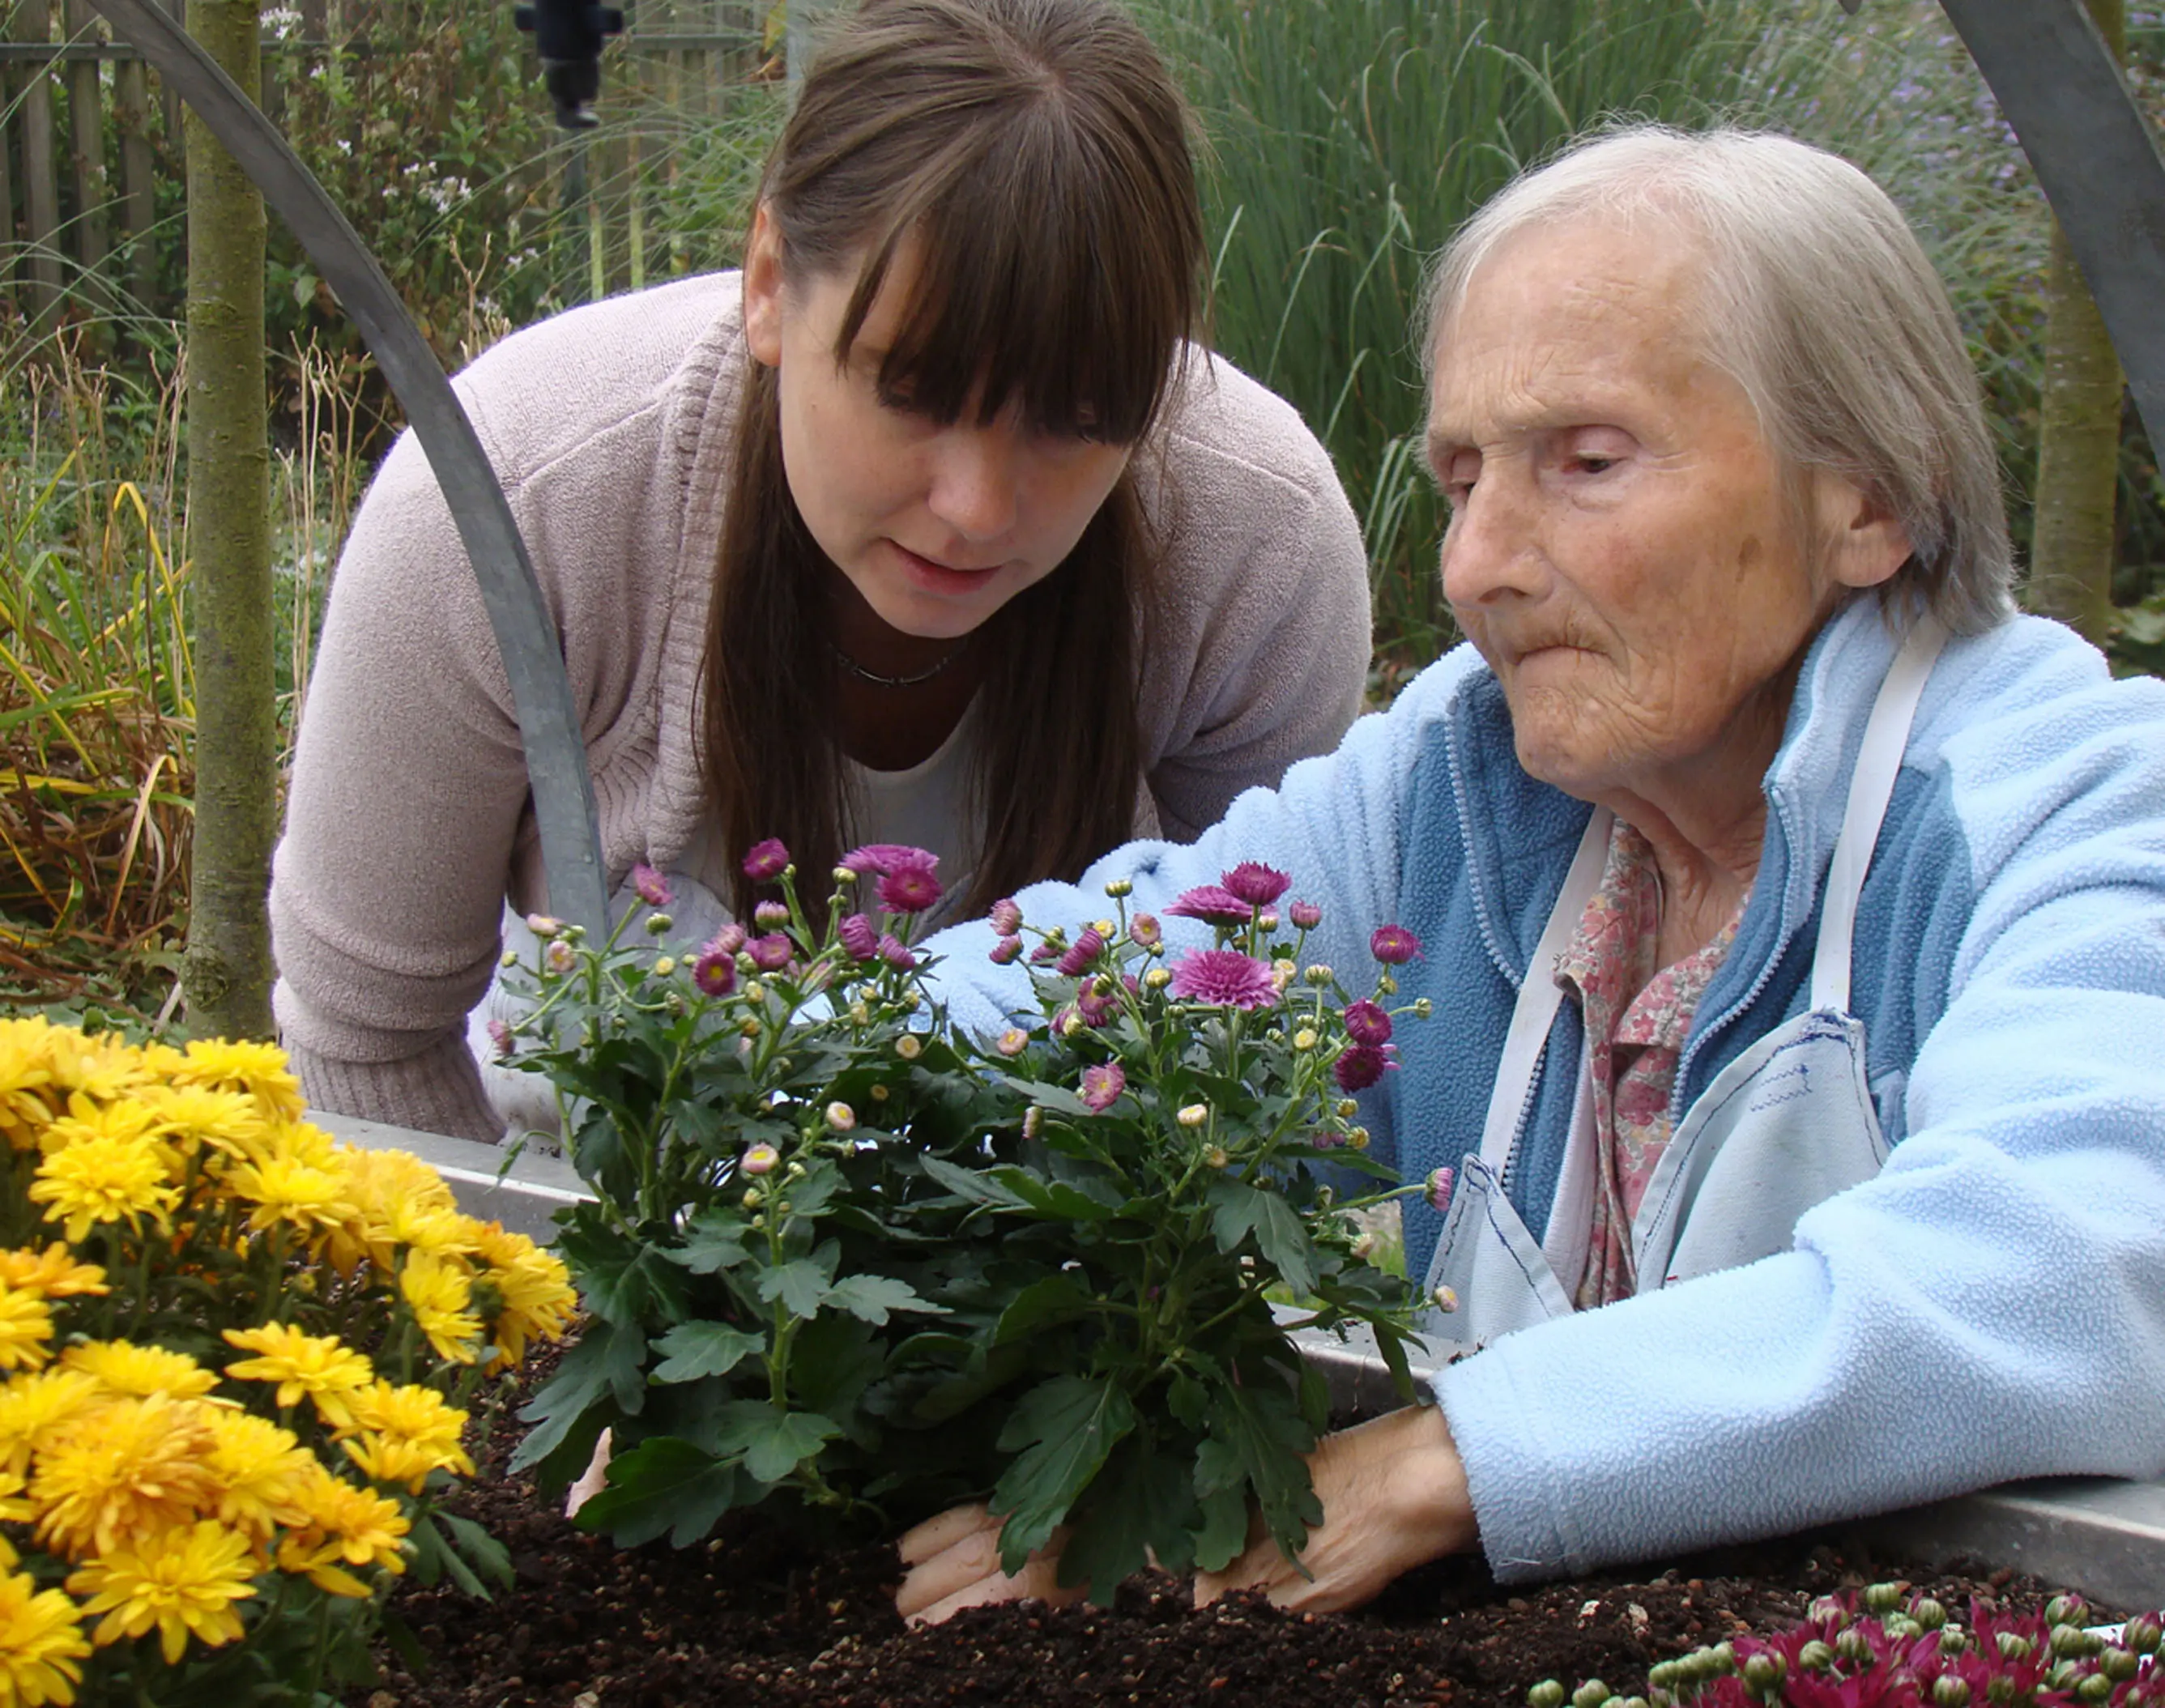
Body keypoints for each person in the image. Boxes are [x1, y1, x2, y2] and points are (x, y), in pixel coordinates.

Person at [893, 125, 2165, 1624]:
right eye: (1461, 474)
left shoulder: (2073, 806)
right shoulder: (1464, 781)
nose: (1476, 562)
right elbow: (1056, 1009)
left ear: (1871, 500)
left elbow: (2079, 1268)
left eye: (1588, 462)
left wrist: (1441, 1464)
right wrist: (753, 1114)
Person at [269, 0, 1372, 1144]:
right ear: (767, 284)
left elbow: (1243, 1031)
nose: (977, 508)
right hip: (583, 1220)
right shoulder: (512, 504)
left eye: (1078, 420)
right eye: (913, 390)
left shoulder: (1258, 549)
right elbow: (369, 1043)